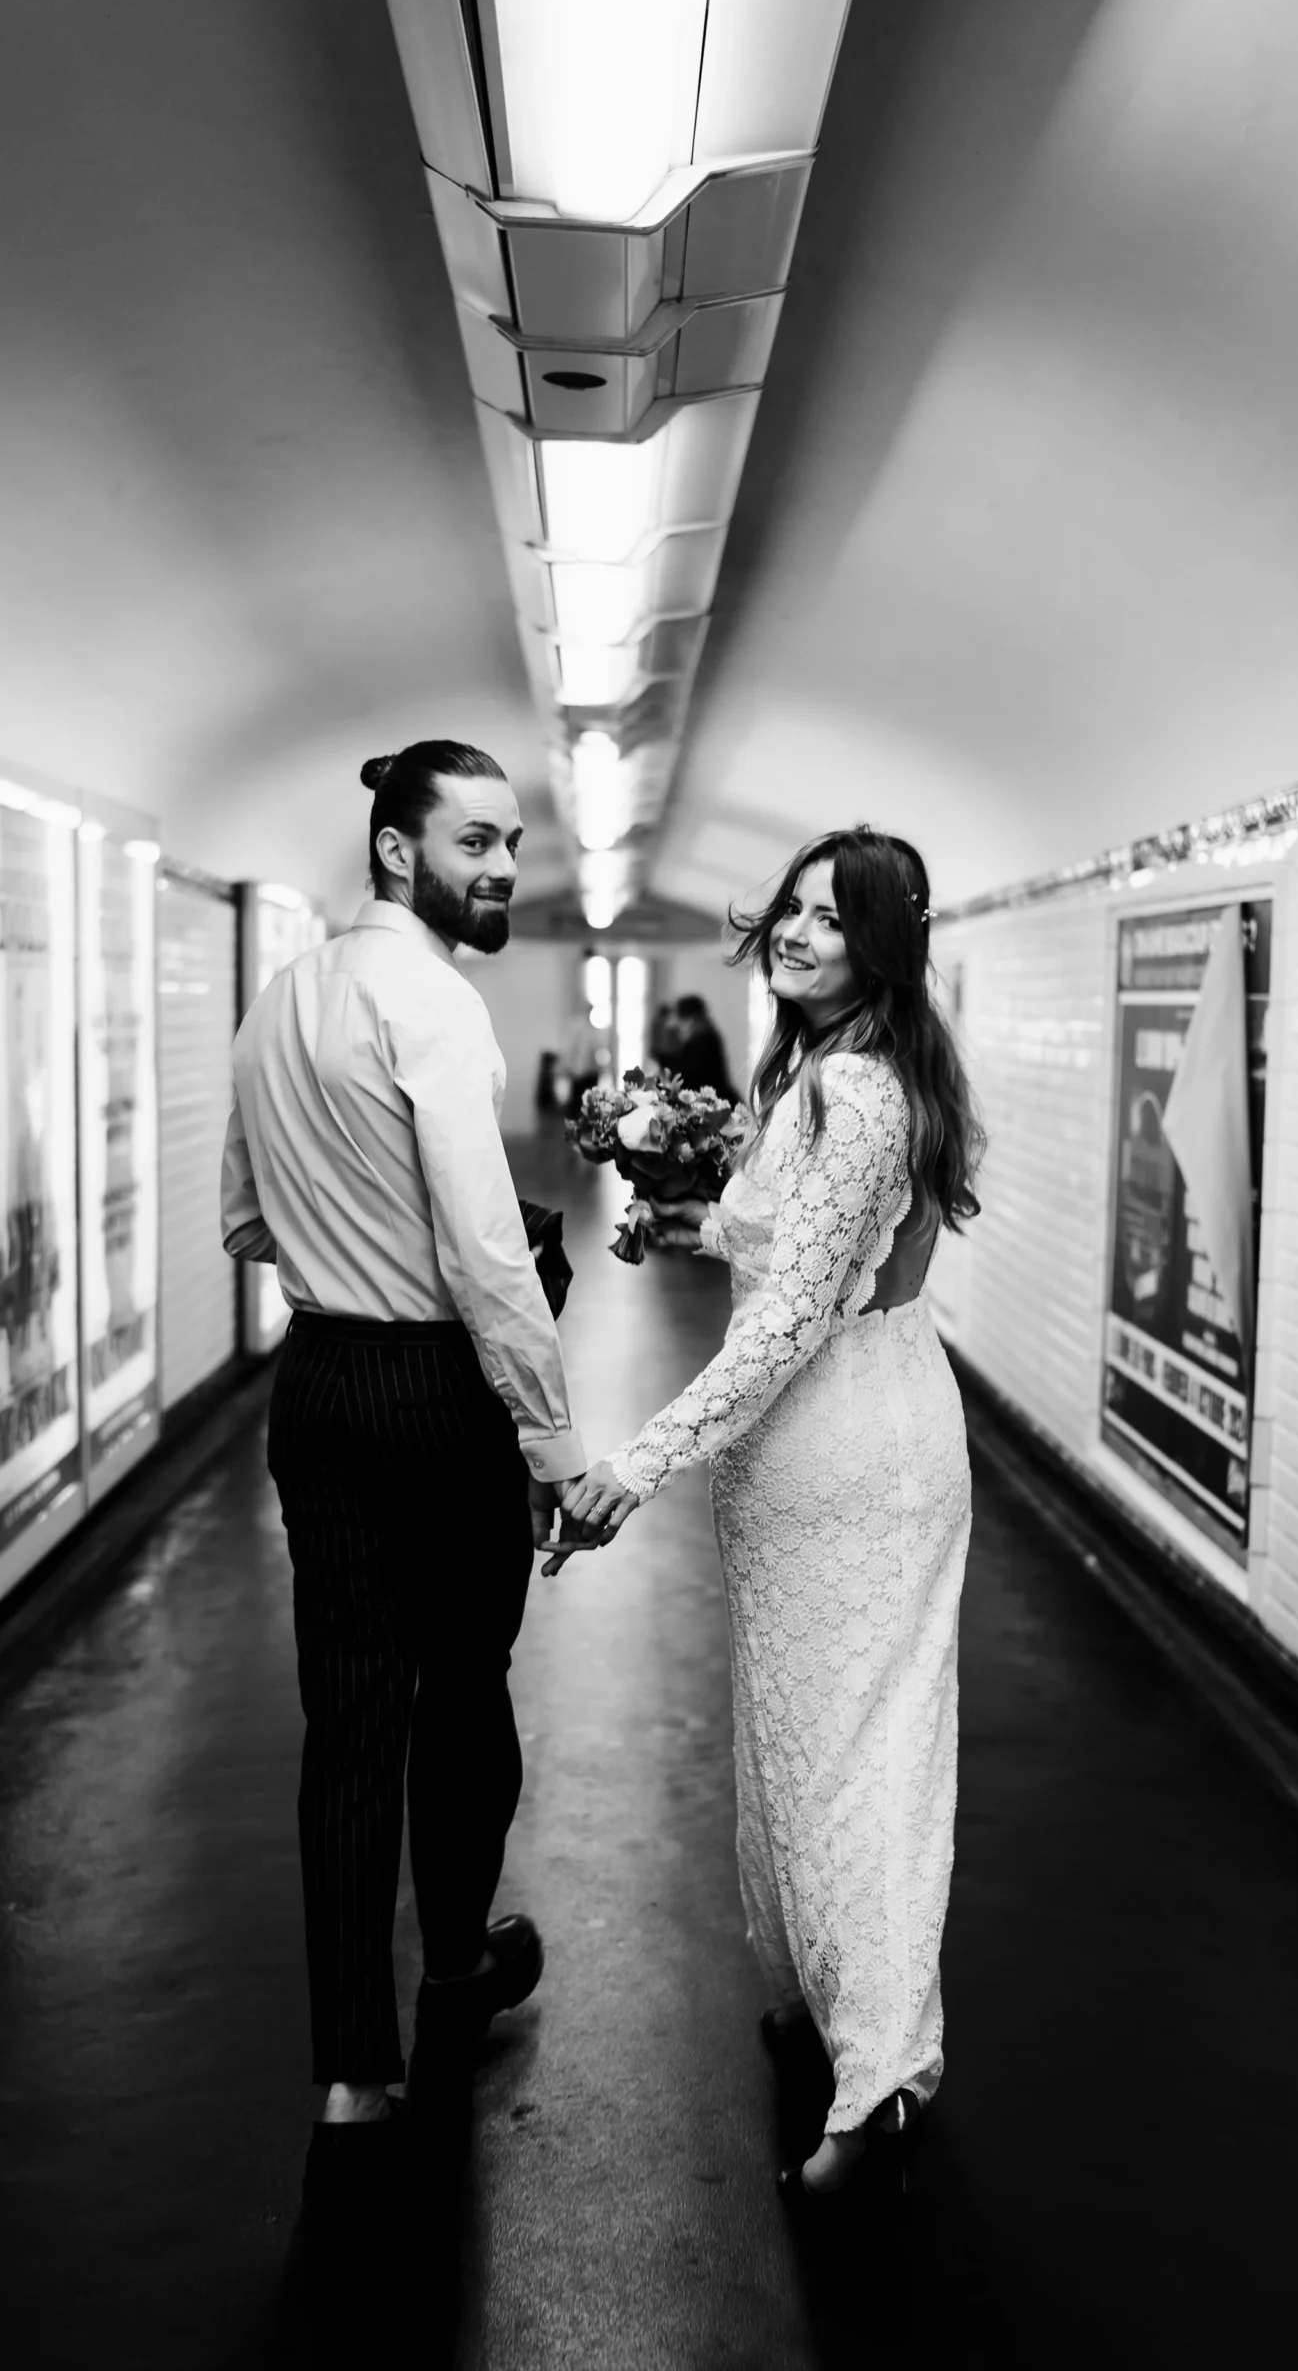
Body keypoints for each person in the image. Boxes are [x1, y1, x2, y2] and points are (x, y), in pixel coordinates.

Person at [557, 827, 982, 2204]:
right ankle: (822, 1993)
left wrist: (636, 1461)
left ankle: (873, 2084)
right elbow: (806, 1247)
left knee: (862, 1756)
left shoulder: (854, 1091)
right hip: (815, 1455)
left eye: (831, 918)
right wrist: (708, 1231)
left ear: (883, 943)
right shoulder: (821, 1069)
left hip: (852, 1450)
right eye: (790, 908)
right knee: (805, 1738)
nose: (797, 932)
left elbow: (795, 1322)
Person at [221, 740, 588, 2210]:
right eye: (476, 843)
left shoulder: (276, 999)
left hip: (315, 1384)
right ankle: (454, 1958)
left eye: (511, 845)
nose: (502, 869)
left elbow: (245, 1220)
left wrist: (336, 1252)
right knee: (468, 1685)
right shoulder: (431, 999)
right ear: (395, 852)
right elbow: (487, 1253)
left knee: (349, 1719)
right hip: (436, 1392)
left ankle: (352, 2073)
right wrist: (552, 1437)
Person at [669, 993, 738, 1102]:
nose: (675, 1025)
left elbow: (689, 1078)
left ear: (691, 1019)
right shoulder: (707, 1037)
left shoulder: (703, 1041)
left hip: (712, 1102)